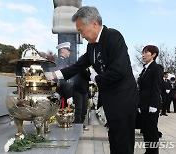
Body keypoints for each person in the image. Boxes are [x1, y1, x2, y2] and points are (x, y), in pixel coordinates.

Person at [45, 6, 139, 154]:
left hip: (123, 99)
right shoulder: (91, 47)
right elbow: (77, 66)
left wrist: (96, 78)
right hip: (111, 101)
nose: (81, 36)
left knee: (123, 143)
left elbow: (119, 71)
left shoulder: (113, 37)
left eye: (81, 30)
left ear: (94, 24)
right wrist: (54, 75)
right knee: (114, 140)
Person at [137, 45, 163, 154]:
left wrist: (153, 105)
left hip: (151, 105)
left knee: (152, 131)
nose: (143, 55)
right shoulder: (145, 69)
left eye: (146, 52)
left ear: (153, 54)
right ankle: (148, 151)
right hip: (144, 104)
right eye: (143, 52)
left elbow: (156, 87)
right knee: (146, 131)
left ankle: (153, 152)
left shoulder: (157, 68)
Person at [73, 66, 90, 131]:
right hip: (78, 90)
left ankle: (81, 123)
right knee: (78, 109)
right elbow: (87, 76)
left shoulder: (87, 69)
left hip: (85, 90)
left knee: (84, 109)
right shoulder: (81, 68)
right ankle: (77, 124)